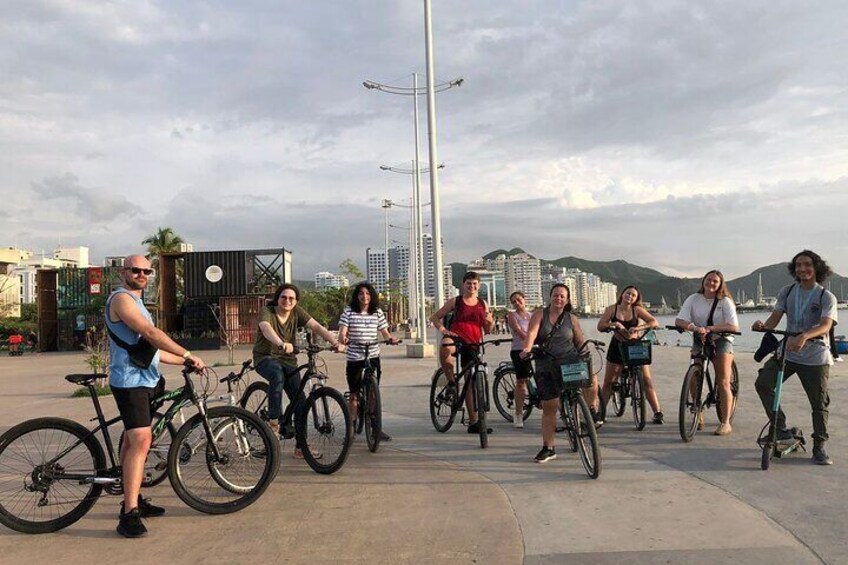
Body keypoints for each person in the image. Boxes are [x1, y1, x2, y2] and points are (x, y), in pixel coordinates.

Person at [105, 255, 205, 538]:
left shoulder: (137, 303)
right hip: (129, 381)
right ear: (124, 271)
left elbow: (151, 351)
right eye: (135, 270)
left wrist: (185, 362)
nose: (141, 274)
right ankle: (128, 515)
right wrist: (187, 352)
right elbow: (150, 333)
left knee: (133, 438)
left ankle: (132, 499)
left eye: (146, 271)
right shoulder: (121, 299)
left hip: (146, 379)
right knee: (141, 439)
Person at [753, 250, 838, 465]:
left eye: (807, 264)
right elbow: (775, 318)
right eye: (798, 265)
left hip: (815, 356)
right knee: (763, 383)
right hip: (788, 352)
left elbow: (826, 325)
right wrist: (763, 326)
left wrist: (805, 336)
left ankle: (819, 445)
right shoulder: (787, 291)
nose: (802, 269)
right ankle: (780, 427)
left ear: (816, 267)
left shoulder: (825, 296)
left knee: (818, 403)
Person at [253, 283, 344, 457]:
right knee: (277, 375)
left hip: (288, 360)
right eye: (284, 297)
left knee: (301, 402)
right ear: (278, 298)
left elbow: (317, 327)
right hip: (265, 357)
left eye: (291, 298)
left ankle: (301, 447)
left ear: (296, 302)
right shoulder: (268, 311)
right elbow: (265, 328)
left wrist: (335, 343)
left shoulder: (297, 312)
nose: (287, 301)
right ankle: (274, 423)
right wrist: (280, 343)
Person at [522, 283, 586, 463]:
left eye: (562, 296)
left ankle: (588, 416)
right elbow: (531, 334)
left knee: (589, 383)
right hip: (546, 363)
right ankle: (548, 447)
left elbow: (579, 341)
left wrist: (586, 353)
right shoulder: (539, 315)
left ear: (567, 300)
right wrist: (527, 349)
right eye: (555, 295)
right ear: (550, 297)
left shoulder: (571, 319)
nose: (558, 298)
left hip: (568, 361)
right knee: (550, 406)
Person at [675, 270, 740, 436]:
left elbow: (734, 327)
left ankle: (725, 422)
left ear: (720, 284)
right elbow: (679, 320)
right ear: (703, 281)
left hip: (721, 339)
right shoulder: (693, 299)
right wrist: (694, 327)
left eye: (715, 281)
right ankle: (698, 412)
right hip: (700, 338)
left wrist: (711, 328)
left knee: (723, 380)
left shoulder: (725, 301)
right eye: (709, 280)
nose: (711, 283)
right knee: (693, 373)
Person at [429, 271, 494, 434]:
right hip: (456, 338)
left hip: (473, 343)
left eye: (474, 284)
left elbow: (487, 329)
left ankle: (474, 422)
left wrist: (490, 322)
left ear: (478, 286)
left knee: (470, 383)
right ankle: (451, 381)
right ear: (463, 285)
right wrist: (444, 330)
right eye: (468, 283)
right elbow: (435, 317)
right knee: (445, 347)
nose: (471, 286)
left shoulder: (483, 303)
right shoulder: (456, 301)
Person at [338, 281, 399, 441]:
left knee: (373, 392)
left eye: (367, 293)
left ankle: (375, 427)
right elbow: (342, 332)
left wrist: (391, 339)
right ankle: (351, 428)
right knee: (354, 395)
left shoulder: (377, 312)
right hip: (355, 357)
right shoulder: (349, 312)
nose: (364, 296)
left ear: (371, 296)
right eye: (361, 293)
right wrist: (343, 339)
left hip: (372, 355)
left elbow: (385, 333)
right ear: (356, 296)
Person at [596, 286, 663, 425]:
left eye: (633, 295)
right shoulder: (611, 309)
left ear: (636, 299)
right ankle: (600, 412)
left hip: (635, 345)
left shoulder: (637, 310)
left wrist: (638, 327)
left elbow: (654, 322)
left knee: (646, 380)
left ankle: (657, 412)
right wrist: (614, 324)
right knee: (609, 382)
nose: (630, 297)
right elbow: (600, 325)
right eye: (628, 293)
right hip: (617, 346)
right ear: (622, 294)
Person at [507, 291, 533, 429]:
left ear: (524, 299)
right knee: (521, 381)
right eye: (514, 301)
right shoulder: (512, 315)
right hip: (519, 350)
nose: (517, 303)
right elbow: (518, 330)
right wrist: (530, 341)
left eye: (519, 299)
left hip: (533, 348)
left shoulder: (532, 315)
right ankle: (518, 413)